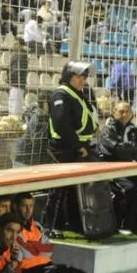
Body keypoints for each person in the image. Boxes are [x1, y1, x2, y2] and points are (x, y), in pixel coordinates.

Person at [42, 61, 100, 236]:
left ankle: (73, 224)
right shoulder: (61, 94)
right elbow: (61, 124)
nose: (82, 80)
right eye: (78, 76)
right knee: (58, 190)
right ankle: (50, 226)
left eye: (84, 76)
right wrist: (79, 145)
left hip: (76, 147)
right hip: (64, 148)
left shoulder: (76, 94)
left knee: (74, 190)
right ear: (69, 77)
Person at [13, 192, 96, 273]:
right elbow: (28, 254)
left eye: (31, 206)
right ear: (15, 207)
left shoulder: (37, 226)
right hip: (30, 272)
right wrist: (39, 246)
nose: (29, 210)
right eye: (24, 206)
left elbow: (49, 250)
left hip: (48, 266)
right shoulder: (13, 229)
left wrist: (32, 246)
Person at [96, 100, 137, 235]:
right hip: (113, 171)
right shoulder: (108, 130)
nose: (124, 114)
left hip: (132, 170)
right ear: (114, 113)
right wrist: (131, 148)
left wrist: (129, 149)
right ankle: (126, 224)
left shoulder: (134, 130)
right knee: (130, 189)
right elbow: (114, 150)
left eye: (127, 111)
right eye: (121, 112)